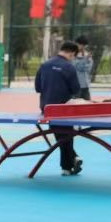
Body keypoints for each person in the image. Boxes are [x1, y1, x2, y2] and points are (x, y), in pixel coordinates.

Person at [34, 41, 82, 176]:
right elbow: (75, 89)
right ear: (72, 53)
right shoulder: (69, 67)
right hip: (63, 108)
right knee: (66, 134)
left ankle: (72, 159)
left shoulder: (44, 65)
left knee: (60, 134)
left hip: (47, 107)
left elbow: (38, 87)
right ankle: (68, 164)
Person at [72, 35, 93, 100]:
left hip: (85, 86)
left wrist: (84, 62)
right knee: (75, 104)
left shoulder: (87, 55)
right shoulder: (72, 54)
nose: (82, 47)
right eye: (80, 44)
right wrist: (85, 60)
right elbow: (77, 67)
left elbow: (88, 68)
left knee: (87, 104)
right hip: (76, 86)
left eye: (84, 45)